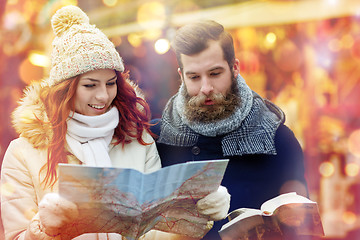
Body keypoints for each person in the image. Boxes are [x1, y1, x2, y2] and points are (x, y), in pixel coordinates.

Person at [0, 7, 230, 240]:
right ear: (64, 90)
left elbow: (152, 231)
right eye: (90, 85)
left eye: (110, 83)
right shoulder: (23, 153)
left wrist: (195, 215)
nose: (103, 96)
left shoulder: (137, 141)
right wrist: (45, 228)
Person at [150, 20, 309, 240]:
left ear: (235, 67)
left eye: (215, 74)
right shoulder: (158, 138)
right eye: (194, 77)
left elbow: (300, 227)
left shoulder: (277, 139)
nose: (206, 88)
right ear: (181, 75)